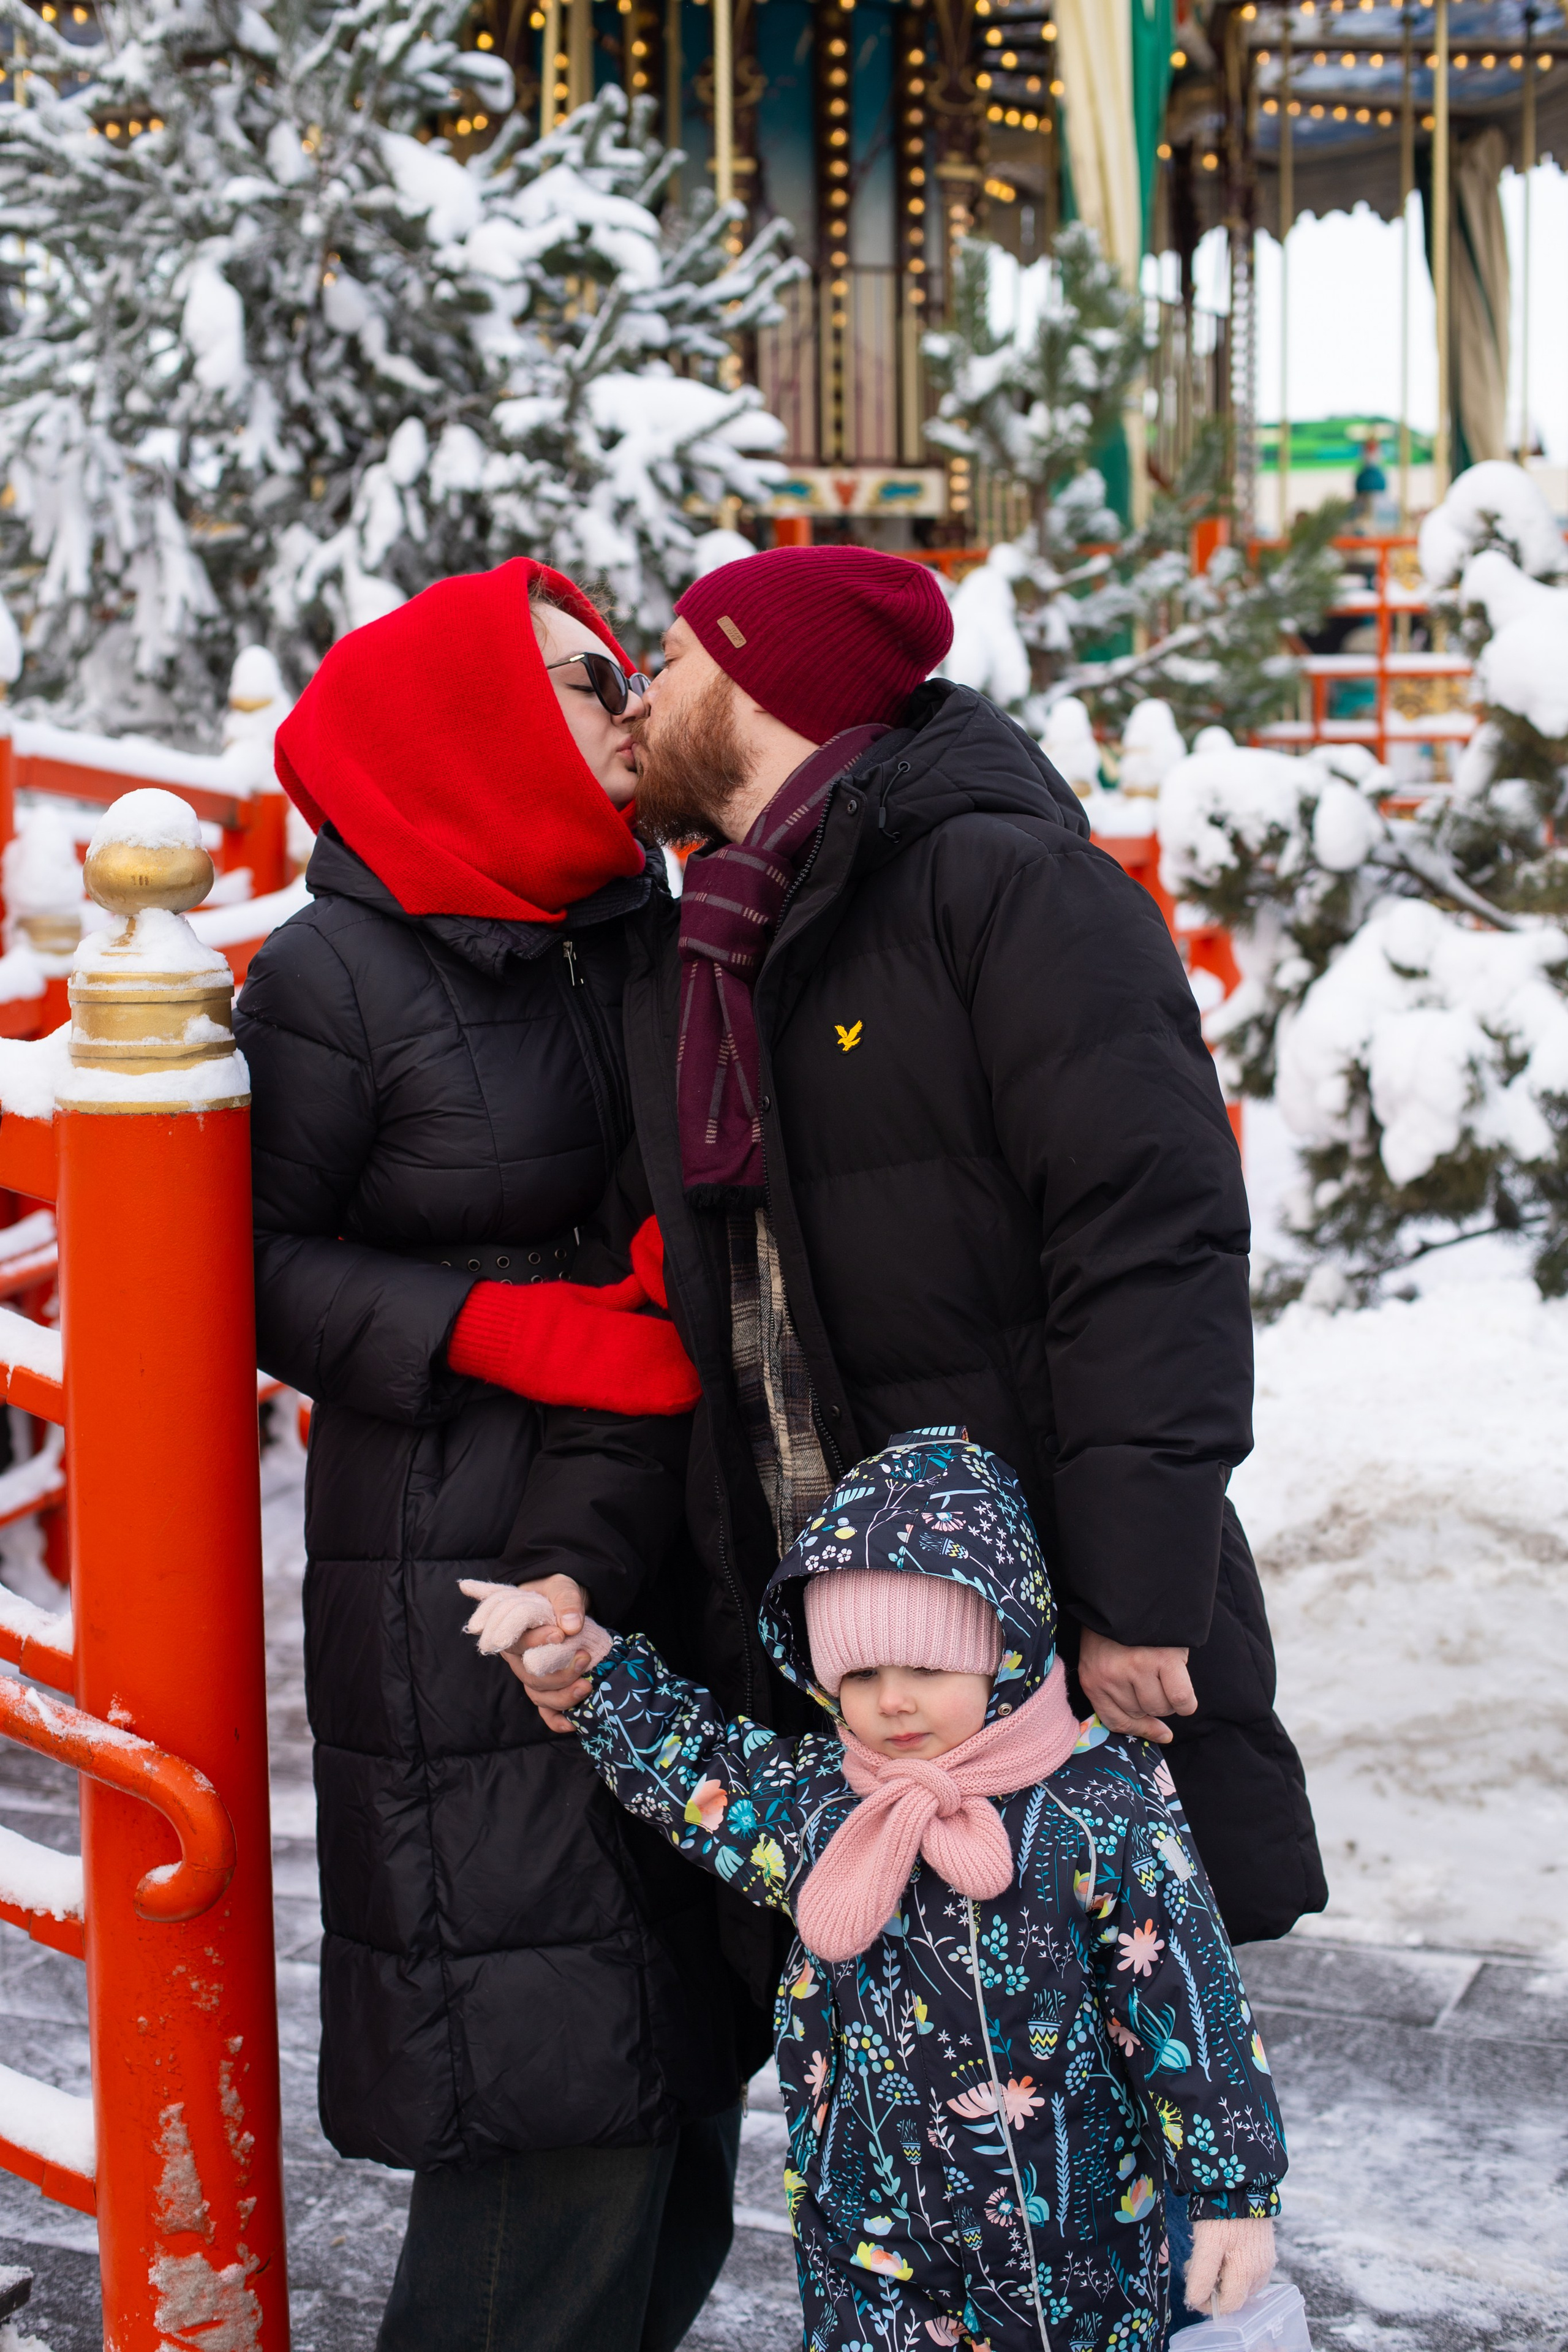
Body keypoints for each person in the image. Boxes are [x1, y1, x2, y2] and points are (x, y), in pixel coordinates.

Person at [508, 543, 1326, 1970]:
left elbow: (1148, 1240)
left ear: (764, 687)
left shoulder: (1005, 891)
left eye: (681, 660)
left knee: (1113, 2064)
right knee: (909, 2080)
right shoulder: (718, 943)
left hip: (1047, 1629)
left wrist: (1137, 1595)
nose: (647, 695)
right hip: (861, 1651)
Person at [239, 557, 753, 2352]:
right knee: (553, 2091)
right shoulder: (334, 976)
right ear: (465, 724)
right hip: (453, 1556)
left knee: (677, 2081)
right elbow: (251, 1269)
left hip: (655, 1519)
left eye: (620, 669)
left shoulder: (636, 920)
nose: (622, 702)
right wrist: (501, 1326)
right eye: (571, 676)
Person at [488, 1428, 1286, 2351]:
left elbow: (1189, 2005)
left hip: (1069, 2251)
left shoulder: (1096, 1811)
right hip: (869, 2241)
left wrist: (1231, 2193)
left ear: (1004, 1653)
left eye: (927, 1670)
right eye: (862, 1674)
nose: (893, 1701)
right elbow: (697, 1768)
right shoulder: (822, 1801)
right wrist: (588, 1668)